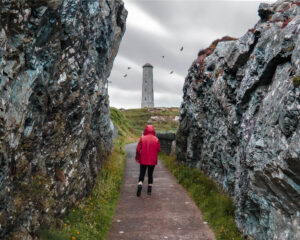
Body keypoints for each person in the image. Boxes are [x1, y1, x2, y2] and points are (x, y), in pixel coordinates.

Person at [135, 125, 160, 197]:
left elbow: (137, 149)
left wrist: (138, 156)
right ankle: (149, 189)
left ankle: (140, 184)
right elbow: (158, 149)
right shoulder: (156, 139)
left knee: (142, 173)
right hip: (152, 160)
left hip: (143, 159)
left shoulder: (142, 138)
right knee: (150, 174)